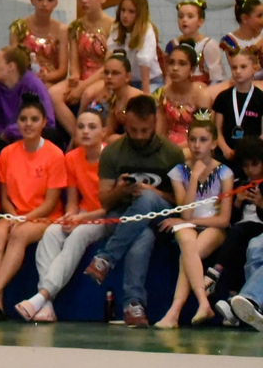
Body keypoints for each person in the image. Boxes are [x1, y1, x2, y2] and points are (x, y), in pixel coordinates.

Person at [81, 94, 186, 328]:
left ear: (155, 123)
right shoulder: (112, 152)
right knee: (143, 235)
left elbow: (179, 202)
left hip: (160, 213)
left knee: (147, 197)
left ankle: (106, 258)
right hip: (121, 214)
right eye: (133, 130)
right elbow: (105, 201)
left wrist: (152, 192)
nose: (139, 136)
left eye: (144, 131)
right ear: (126, 123)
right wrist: (120, 190)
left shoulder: (172, 153)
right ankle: (133, 305)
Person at [0, 95, 65, 320]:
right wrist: (12, 216)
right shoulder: (8, 153)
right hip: (15, 214)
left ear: (43, 123)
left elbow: (50, 203)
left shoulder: (55, 154)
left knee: (19, 235)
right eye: (23, 119)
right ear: (17, 123)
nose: (28, 124)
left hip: (44, 216)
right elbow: (4, 197)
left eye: (34, 119)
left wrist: (23, 219)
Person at [17, 107, 110, 322]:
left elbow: (111, 207)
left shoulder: (111, 158)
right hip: (82, 214)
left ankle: (42, 296)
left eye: (92, 127)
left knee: (78, 236)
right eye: (81, 127)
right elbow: (72, 201)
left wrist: (81, 220)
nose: (85, 131)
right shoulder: (71, 158)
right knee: (50, 233)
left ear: (103, 132)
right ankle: (47, 307)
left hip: (105, 217)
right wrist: (70, 216)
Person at [153, 115, 233, 329]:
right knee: (187, 242)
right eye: (193, 140)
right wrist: (194, 178)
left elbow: (224, 220)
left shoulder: (225, 173)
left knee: (189, 254)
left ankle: (174, 312)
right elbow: (185, 215)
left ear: (214, 143)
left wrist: (191, 220)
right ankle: (203, 302)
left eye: (203, 140)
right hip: (188, 222)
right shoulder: (179, 172)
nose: (197, 146)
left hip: (213, 226)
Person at [51, 0, 114, 138]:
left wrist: (81, 87)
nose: (84, 0)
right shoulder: (77, 26)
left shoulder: (113, 26)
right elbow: (75, 61)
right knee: (53, 94)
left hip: (103, 78)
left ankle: (87, 134)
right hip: (83, 76)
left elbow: (109, 66)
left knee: (87, 94)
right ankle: (76, 135)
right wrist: (75, 76)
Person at [210, 138, 263, 320]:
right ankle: (242, 304)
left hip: (258, 226)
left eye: (255, 164)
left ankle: (241, 299)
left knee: (250, 242)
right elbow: (230, 219)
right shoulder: (241, 182)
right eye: (246, 165)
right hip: (245, 229)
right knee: (247, 247)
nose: (250, 170)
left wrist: (261, 204)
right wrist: (238, 202)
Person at [0, 46, 57, 145]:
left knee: (52, 135)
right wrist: (2, 133)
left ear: (11, 66)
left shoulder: (34, 85)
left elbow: (49, 123)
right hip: (2, 138)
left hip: (31, 137)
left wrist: (13, 132)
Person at [9, 0, 68, 85]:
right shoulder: (19, 27)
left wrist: (45, 76)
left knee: (46, 93)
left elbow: (63, 70)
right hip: (24, 79)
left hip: (50, 81)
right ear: (32, 0)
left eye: (50, 0)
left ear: (56, 3)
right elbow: (13, 62)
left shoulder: (61, 30)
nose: (44, 4)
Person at [211, 46, 263, 161]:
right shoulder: (223, 97)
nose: (238, 71)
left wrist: (250, 152)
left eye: (243, 67)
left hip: (253, 154)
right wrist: (225, 149)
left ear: (255, 69)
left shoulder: (260, 98)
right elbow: (216, 130)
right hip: (226, 153)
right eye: (234, 67)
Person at [155, 45, 209, 147]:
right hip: (168, 146)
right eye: (171, 63)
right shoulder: (162, 93)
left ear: (192, 70)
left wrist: (177, 149)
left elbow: (203, 132)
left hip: (195, 145)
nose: (175, 68)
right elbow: (160, 131)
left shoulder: (201, 95)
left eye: (182, 64)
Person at [107, 0, 160, 92]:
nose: (125, 15)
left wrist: (146, 92)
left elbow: (144, 62)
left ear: (140, 14)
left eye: (131, 12)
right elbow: (110, 56)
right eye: (123, 10)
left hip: (150, 80)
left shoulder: (146, 30)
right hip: (126, 81)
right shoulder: (116, 28)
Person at [166, 0, 225, 85]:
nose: (184, 20)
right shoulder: (172, 44)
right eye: (181, 16)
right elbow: (168, 74)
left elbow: (216, 78)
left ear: (200, 22)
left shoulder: (208, 45)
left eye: (190, 16)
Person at [95, 51, 146, 139]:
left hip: (141, 141)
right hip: (128, 139)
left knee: (112, 139)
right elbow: (109, 130)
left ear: (127, 77)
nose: (109, 77)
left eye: (115, 73)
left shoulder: (135, 99)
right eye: (106, 73)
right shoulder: (114, 98)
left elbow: (140, 132)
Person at [219, 0, 263, 85]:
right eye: (259, 16)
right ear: (245, 18)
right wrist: (257, 46)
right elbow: (239, 68)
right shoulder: (229, 41)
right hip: (243, 84)